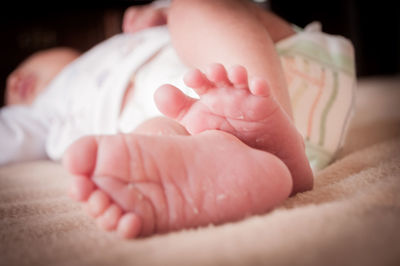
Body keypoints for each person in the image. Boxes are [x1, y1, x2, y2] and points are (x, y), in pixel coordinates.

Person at [0, 0, 356, 239]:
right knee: (148, 140)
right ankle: (245, 159)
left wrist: (162, 11)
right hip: (200, 140)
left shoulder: (129, 39)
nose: (15, 82)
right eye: (11, 95)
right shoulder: (45, 114)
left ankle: (268, 135)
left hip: (270, 64)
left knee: (195, 6)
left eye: (21, 69)